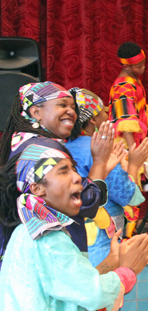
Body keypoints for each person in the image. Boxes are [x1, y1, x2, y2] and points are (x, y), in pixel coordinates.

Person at [0, 143, 148, 310]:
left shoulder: (26, 230)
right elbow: (93, 294)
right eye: (64, 171)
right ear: (38, 188)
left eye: (74, 170)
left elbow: (74, 287)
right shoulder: (48, 238)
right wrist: (127, 270)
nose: (77, 177)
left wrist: (112, 260)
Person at [0, 81, 112, 267]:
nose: (71, 112)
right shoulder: (45, 150)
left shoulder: (20, 141)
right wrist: (100, 161)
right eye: (62, 105)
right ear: (36, 112)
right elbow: (84, 200)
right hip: (53, 255)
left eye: (72, 107)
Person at [66, 87, 148, 266]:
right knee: (105, 287)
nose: (107, 115)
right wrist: (133, 165)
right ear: (93, 119)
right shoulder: (98, 149)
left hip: (71, 235)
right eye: (104, 111)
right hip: (100, 240)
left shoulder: (60, 146)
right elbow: (129, 196)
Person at [108, 41, 148, 149]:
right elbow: (126, 123)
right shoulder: (123, 88)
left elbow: (141, 109)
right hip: (126, 145)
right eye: (139, 66)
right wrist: (134, 152)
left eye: (144, 63)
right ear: (126, 66)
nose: (143, 68)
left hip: (134, 141)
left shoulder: (133, 79)